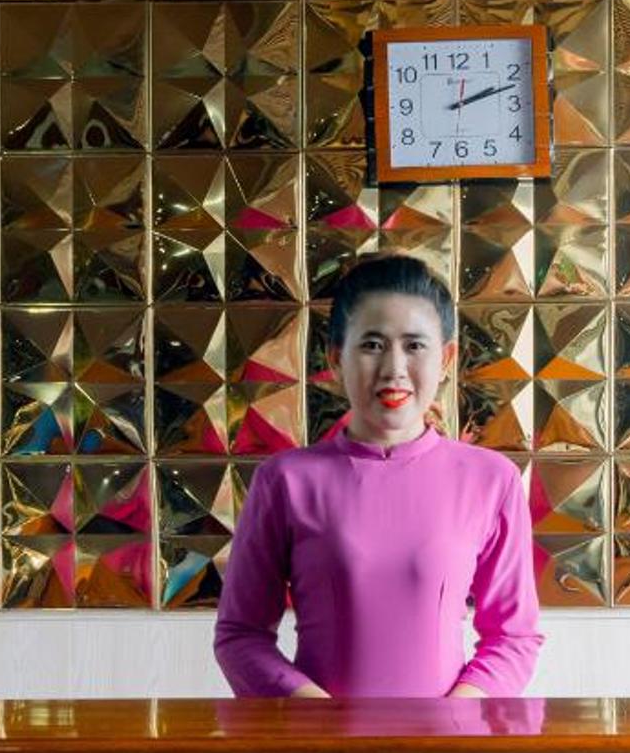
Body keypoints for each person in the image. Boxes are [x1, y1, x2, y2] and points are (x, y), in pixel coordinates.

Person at [214, 254, 542, 699]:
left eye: (415, 346)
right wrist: (318, 718)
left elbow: (513, 637)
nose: (394, 369)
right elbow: (240, 636)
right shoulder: (285, 481)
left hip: (450, 737)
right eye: (372, 345)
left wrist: (456, 717)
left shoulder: (491, 480)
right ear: (336, 359)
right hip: (317, 738)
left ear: (446, 358)